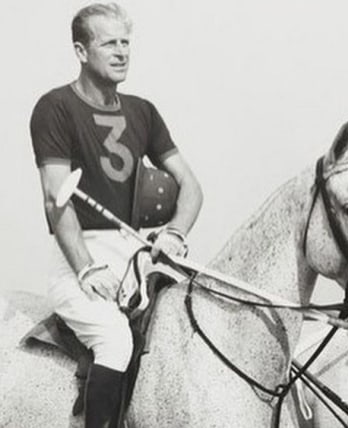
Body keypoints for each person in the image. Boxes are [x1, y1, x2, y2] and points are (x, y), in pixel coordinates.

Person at [29, 3, 203, 427]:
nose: (122, 51)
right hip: (79, 258)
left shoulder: (143, 111)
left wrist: (175, 234)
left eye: (126, 42)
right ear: (81, 50)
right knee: (114, 341)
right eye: (109, 43)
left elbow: (192, 188)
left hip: (138, 253)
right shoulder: (54, 107)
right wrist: (86, 268)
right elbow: (58, 199)